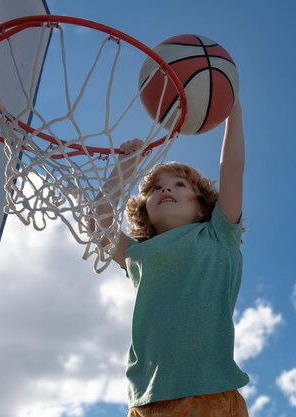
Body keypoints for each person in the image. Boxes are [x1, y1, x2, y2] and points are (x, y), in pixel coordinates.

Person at [94, 101, 248, 417]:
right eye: (157, 188)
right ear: (145, 209)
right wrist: (125, 167)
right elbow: (99, 220)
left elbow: (231, 167)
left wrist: (231, 106)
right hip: (147, 401)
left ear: (202, 204)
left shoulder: (218, 234)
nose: (167, 189)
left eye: (180, 184)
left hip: (209, 395)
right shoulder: (137, 254)